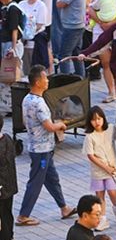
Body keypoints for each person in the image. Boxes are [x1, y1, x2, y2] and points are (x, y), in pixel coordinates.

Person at [15, 65, 74, 226]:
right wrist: (60, 125)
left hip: (40, 147)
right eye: (45, 78)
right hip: (41, 150)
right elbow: (49, 126)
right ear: (38, 82)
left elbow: (25, 121)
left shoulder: (27, 99)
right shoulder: (39, 103)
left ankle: (64, 208)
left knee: (52, 179)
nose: (47, 80)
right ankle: (23, 215)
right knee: (36, 182)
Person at [82, 106, 116, 231]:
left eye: (99, 118)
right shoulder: (89, 136)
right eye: (93, 120)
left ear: (103, 118)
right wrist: (105, 167)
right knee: (99, 195)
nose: (97, 122)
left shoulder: (111, 129)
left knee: (113, 192)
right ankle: (102, 219)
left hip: (112, 169)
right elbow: (90, 156)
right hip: (98, 171)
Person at [54, 0, 86, 76]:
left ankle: (65, 80)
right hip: (75, 24)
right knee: (76, 54)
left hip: (72, 26)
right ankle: (80, 78)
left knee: (64, 56)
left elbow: (60, 3)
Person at [18, 0, 48, 74]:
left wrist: (28, 35)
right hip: (23, 40)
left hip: (36, 39)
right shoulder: (21, 4)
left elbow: (39, 25)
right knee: (25, 68)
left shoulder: (41, 5)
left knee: (36, 69)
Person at [0, 116, 17, 240]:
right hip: (10, 185)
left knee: (3, 216)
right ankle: (8, 239)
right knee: (7, 213)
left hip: (2, 187)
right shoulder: (7, 139)